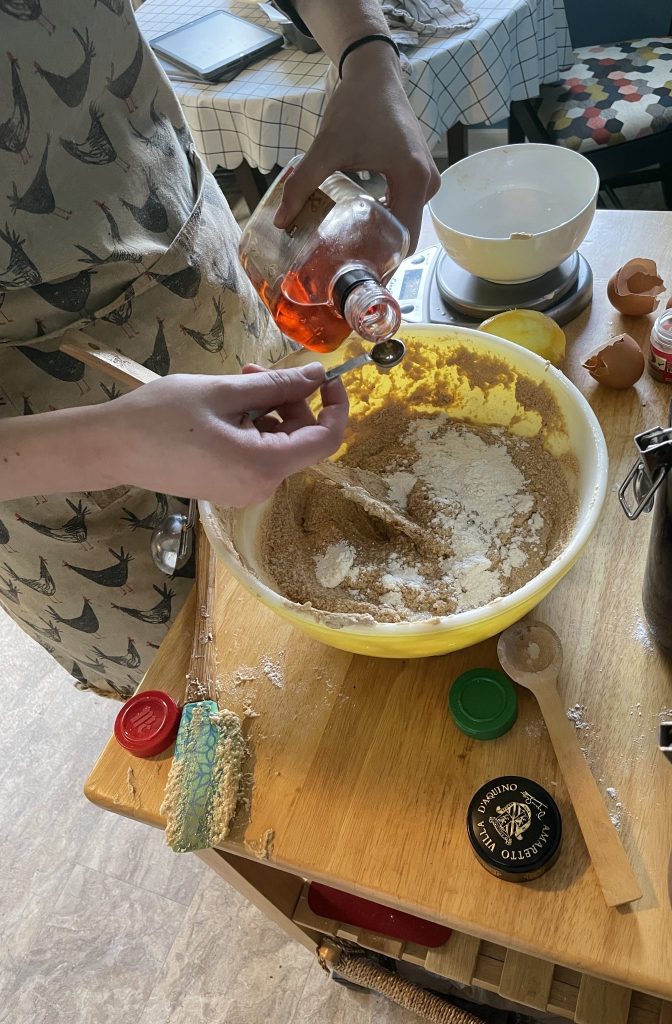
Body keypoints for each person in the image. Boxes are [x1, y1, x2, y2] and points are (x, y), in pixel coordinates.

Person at [0, 0, 440, 697]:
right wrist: (109, 444)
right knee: (227, 696)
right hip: (48, 455)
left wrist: (366, 55)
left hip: (206, 278)